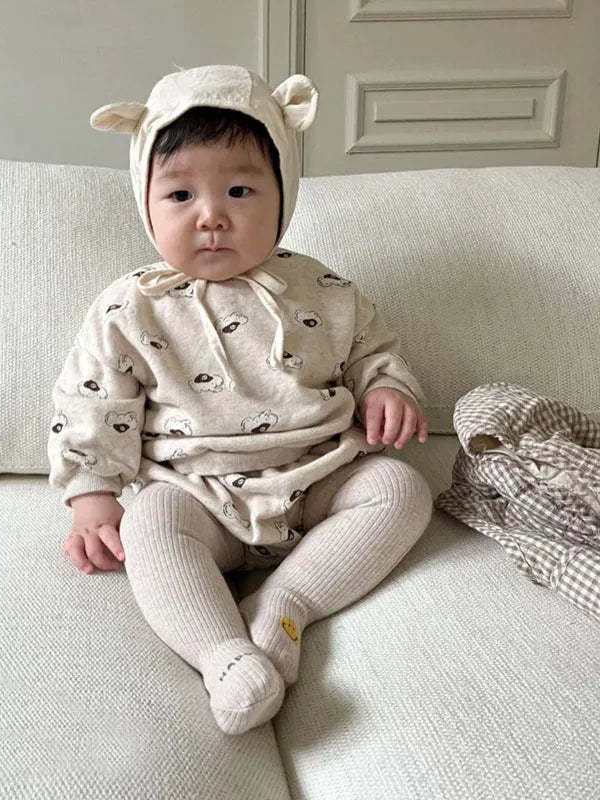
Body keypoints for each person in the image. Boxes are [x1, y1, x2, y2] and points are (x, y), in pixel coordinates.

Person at [47, 64, 433, 735]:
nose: (212, 216)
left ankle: (286, 605)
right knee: (150, 523)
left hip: (319, 480)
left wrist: (387, 388)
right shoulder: (130, 307)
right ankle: (224, 655)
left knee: (401, 489)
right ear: (146, 201)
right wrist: (92, 494)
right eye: (180, 194)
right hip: (199, 497)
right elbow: (92, 401)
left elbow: (373, 349)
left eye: (239, 190)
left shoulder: (324, 289)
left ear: (284, 193)